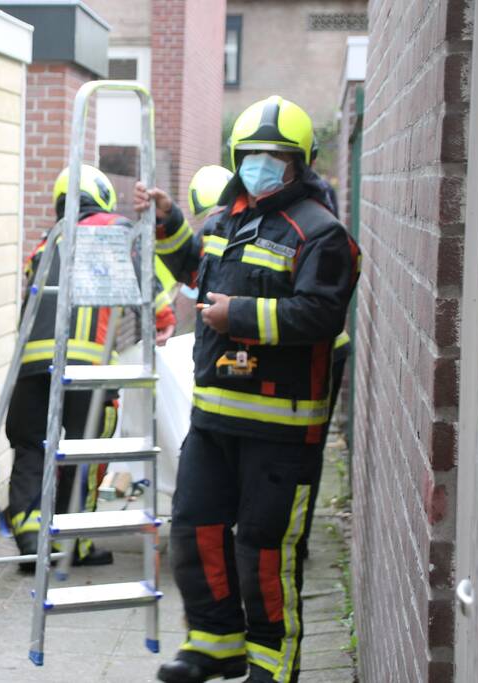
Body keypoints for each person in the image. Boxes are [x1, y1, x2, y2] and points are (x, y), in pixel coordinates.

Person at [135, 95, 360, 683]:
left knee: (265, 548)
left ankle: (271, 662)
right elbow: (195, 268)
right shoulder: (227, 219)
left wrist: (238, 316)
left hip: (281, 425)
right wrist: (167, 222)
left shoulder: (322, 233)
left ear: (300, 162)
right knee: (195, 526)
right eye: (252, 154)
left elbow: (319, 315)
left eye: (276, 156)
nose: (261, 164)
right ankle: (215, 643)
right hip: (213, 419)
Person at [6, 164, 176, 571]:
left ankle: (33, 544)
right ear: (100, 194)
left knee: (32, 450)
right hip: (85, 369)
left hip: (31, 369)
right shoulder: (111, 228)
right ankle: (72, 545)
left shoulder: (47, 242)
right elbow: (140, 272)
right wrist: (163, 316)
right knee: (83, 452)